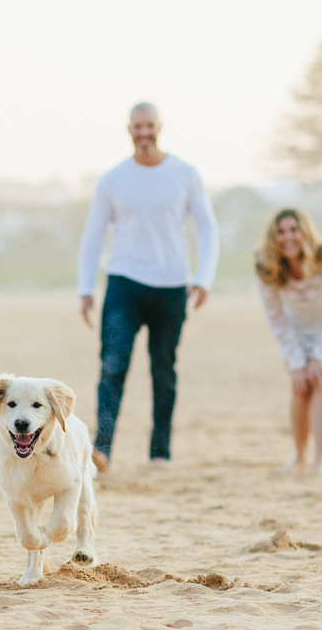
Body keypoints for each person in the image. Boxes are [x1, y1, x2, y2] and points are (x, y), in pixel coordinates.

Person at [77, 102, 219, 470]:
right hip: (123, 282)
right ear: (129, 129)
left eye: (149, 126)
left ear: (160, 127)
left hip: (172, 285)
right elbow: (94, 235)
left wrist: (203, 278)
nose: (143, 133)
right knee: (112, 365)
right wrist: (85, 288)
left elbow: (206, 227)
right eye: (137, 127)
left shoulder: (185, 174)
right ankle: (102, 449)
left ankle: (160, 453)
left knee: (163, 370)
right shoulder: (113, 180)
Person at [255, 207, 322, 475]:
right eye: (280, 232)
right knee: (300, 384)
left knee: (320, 378)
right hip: (297, 326)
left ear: (305, 232)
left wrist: (321, 355)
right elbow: (276, 318)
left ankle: (319, 462)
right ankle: (299, 459)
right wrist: (296, 361)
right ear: (273, 237)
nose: (288, 237)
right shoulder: (266, 266)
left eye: (294, 230)